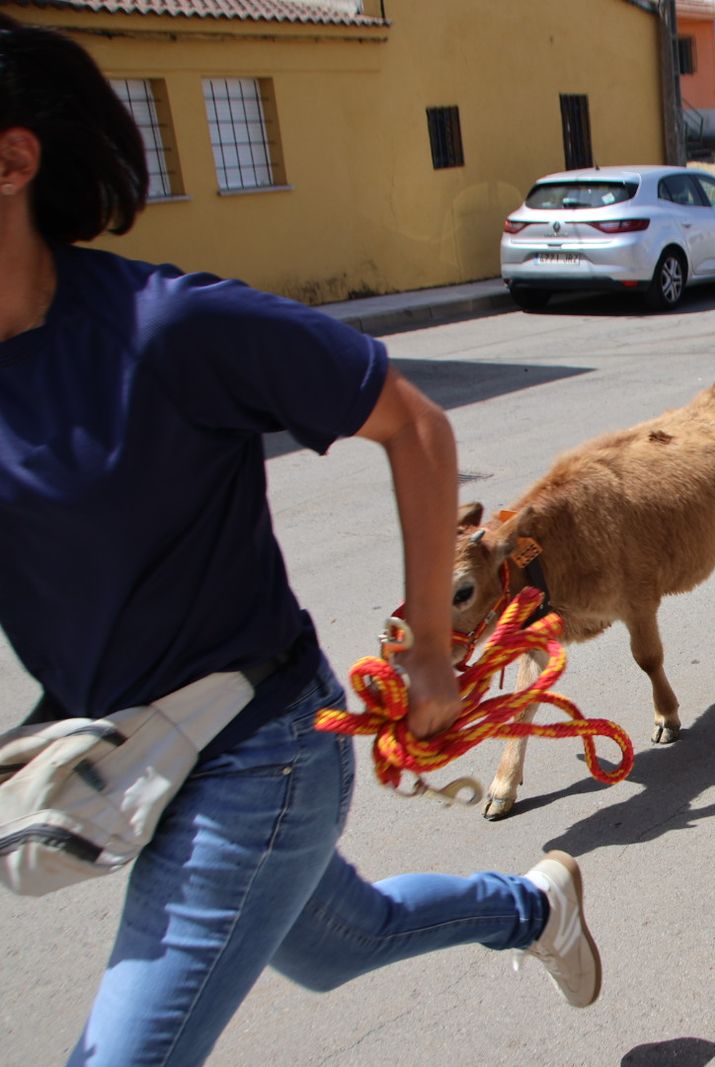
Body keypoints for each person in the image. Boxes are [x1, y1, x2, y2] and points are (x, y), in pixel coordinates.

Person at [0, 17, 601, 1063]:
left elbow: (413, 423)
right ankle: (531, 905)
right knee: (338, 943)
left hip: (254, 747)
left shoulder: (164, 329)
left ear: (12, 159)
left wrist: (426, 645)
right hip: (123, 758)